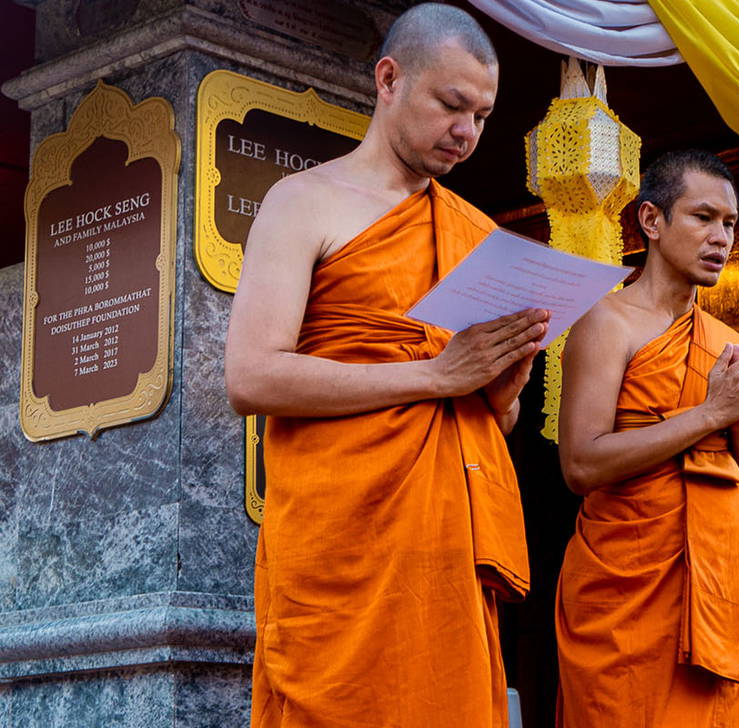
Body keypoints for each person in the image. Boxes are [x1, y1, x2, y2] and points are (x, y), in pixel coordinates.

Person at [225, 6, 544, 725]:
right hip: (345, 542)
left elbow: (488, 411)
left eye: (483, 116)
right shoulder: (304, 203)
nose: (467, 132)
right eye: (452, 105)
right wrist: (436, 376)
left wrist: (502, 388)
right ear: (390, 79)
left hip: (447, 550)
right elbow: (251, 377)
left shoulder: (478, 233)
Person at [553, 150, 739, 727]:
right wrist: (713, 414)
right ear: (652, 221)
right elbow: (581, 465)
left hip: (718, 584)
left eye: (730, 223)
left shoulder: (730, 343)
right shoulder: (606, 322)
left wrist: (736, 424)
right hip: (628, 585)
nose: (721, 237)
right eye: (703, 217)